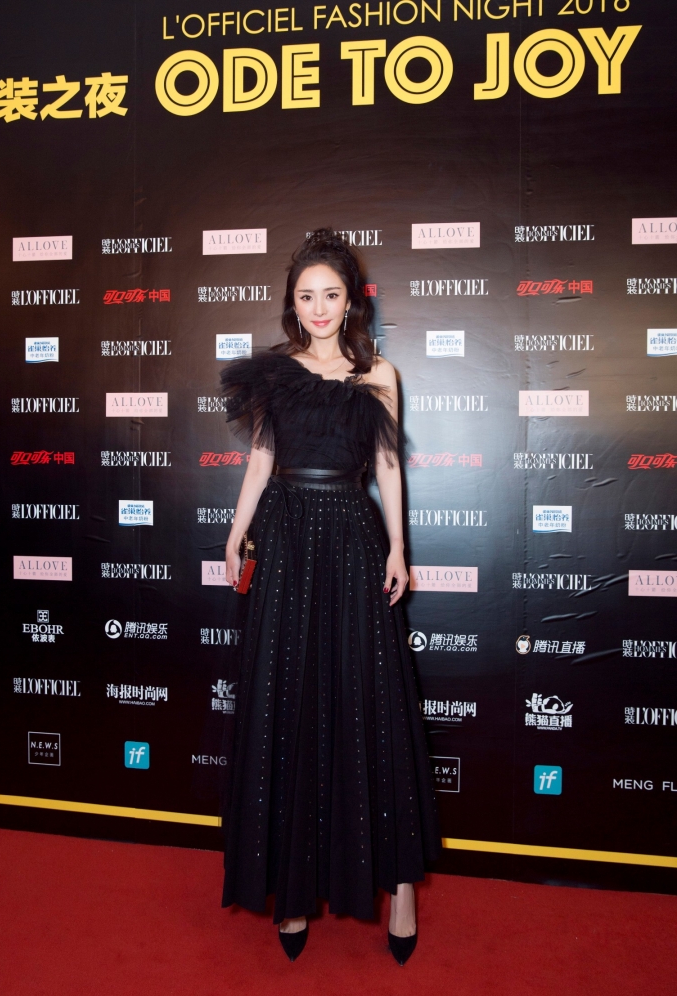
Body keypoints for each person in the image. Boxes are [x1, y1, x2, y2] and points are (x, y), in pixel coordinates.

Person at [219, 229, 440, 965]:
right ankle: (291, 888)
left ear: (351, 303)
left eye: (331, 295)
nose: (318, 307)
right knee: (286, 701)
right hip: (284, 538)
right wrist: (236, 532)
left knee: (369, 702)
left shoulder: (379, 372)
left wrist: (399, 547)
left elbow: (388, 465)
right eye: (306, 295)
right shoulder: (274, 372)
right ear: (293, 303)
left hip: (350, 537)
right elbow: (260, 459)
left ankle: (400, 887)